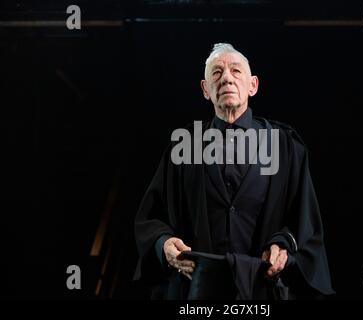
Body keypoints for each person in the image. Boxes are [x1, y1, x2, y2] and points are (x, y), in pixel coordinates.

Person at [134, 43, 334, 299]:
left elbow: (305, 222)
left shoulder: (285, 146)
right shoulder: (182, 147)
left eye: (236, 71)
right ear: (206, 90)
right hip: (196, 290)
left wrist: (284, 244)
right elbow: (151, 218)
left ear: (253, 85)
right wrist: (164, 245)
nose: (226, 77)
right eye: (216, 73)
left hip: (263, 291)